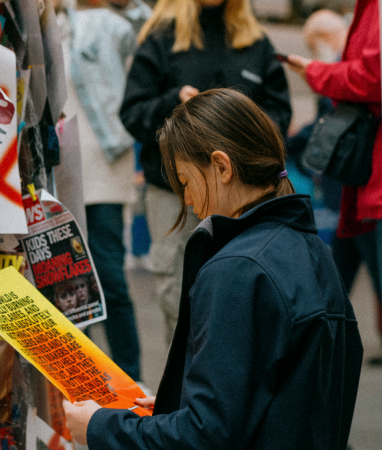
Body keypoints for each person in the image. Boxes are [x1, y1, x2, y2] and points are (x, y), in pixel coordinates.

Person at [64, 89, 363, 449]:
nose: (188, 200)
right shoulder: (313, 252)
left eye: (187, 182)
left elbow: (205, 435)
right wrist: (176, 407)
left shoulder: (237, 270)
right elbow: (277, 398)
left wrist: (99, 427)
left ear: (221, 167)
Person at [121, 0, 292, 346]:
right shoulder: (161, 38)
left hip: (246, 201)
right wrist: (173, 102)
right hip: (174, 197)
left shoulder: (255, 41)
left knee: (244, 295)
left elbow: (279, 116)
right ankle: (184, 394)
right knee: (179, 301)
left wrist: (244, 126)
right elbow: (132, 113)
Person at [284, 0, 382, 364]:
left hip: (364, 190)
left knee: (347, 277)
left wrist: (316, 71)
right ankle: (322, 344)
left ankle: (320, 346)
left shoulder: (345, 69)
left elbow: (370, 79)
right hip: (353, 193)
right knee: (335, 280)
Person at [56, 0, 145, 381]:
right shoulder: (43, 22)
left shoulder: (108, 24)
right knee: (72, 284)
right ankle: (84, 379)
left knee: (109, 275)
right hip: (62, 171)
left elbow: (139, 28)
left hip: (104, 168)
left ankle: (131, 375)